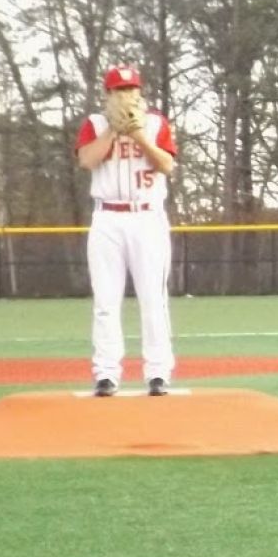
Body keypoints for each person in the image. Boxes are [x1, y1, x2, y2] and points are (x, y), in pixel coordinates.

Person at [75, 65, 179, 397]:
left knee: (153, 300)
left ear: (140, 92)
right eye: (119, 90)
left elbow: (166, 165)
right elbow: (87, 161)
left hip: (147, 217)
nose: (127, 95)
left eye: (131, 89)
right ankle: (106, 373)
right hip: (107, 217)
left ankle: (158, 373)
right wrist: (112, 133)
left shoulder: (156, 123)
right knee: (106, 300)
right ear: (108, 95)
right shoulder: (94, 124)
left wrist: (136, 135)